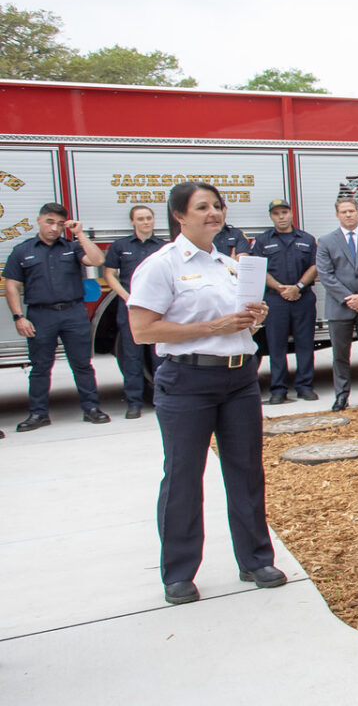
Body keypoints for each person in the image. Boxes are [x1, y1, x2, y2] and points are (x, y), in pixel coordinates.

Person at [126, 181, 280, 606]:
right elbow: (143, 330)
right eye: (202, 207)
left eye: (217, 205)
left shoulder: (229, 266)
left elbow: (239, 324)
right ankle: (178, 573)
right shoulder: (162, 265)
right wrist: (212, 328)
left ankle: (255, 560)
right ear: (179, 215)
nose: (213, 213)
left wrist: (255, 318)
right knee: (182, 478)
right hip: (188, 383)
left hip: (239, 380)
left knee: (246, 472)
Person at [5, 202, 111, 431]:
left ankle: (91, 408)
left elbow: (97, 260)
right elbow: (11, 285)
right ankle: (38, 413)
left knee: (82, 364)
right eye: (49, 222)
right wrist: (18, 317)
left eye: (60, 224)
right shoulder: (22, 251)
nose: (54, 228)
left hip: (73, 312)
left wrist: (80, 234)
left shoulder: (72, 247)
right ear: (39, 220)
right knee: (41, 366)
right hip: (40, 315)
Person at [315, 198, 358, 412]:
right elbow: (325, 275)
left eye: (351, 211)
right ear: (337, 215)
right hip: (340, 307)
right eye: (343, 212)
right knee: (340, 355)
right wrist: (350, 299)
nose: (348, 215)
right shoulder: (326, 241)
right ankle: (341, 396)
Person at [101, 205, 168, 419]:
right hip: (130, 307)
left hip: (158, 307)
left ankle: (162, 399)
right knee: (132, 357)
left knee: (160, 356)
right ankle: (134, 403)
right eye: (140, 219)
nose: (146, 222)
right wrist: (126, 296)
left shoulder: (165, 247)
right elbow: (110, 274)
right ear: (132, 222)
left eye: (149, 218)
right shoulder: (120, 246)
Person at [250, 199, 319, 405]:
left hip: (303, 298)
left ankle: (305, 386)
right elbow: (259, 269)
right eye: (276, 213)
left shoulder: (307, 239)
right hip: (275, 299)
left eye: (284, 212)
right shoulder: (263, 241)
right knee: (276, 346)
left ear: (291, 214)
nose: (281, 216)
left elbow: (315, 266)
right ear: (271, 216)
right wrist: (281, 288)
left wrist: (297, 287)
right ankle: (278, 389)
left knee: (305, 344)